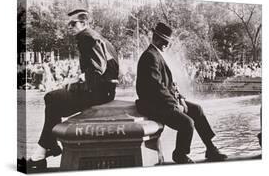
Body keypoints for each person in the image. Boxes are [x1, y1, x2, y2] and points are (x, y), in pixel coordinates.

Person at [28, 9, 119, 169]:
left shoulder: (86, 38)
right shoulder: (99, 37)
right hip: (107, 91)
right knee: (55, 102)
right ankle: (45, 148)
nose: (69, 27)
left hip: (98, 93)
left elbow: (96, 72)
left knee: (51, 98)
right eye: (68, 23)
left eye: (73, 23)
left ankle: (46, 148)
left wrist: (75, 85)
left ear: (84, 23)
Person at [135, 22, 227, 164]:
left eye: (168, 43)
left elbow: (170, 85)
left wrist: (181, 99)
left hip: (162, 101)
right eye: (165, 42)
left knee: (197, 109)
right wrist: (174, 104)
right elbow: (156, 88)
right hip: (154, 105)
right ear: (156, 39)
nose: (167, 46)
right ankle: (180, 154)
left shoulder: (156, 55)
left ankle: (210, 148)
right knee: (187, 123)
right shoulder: (150, 57)